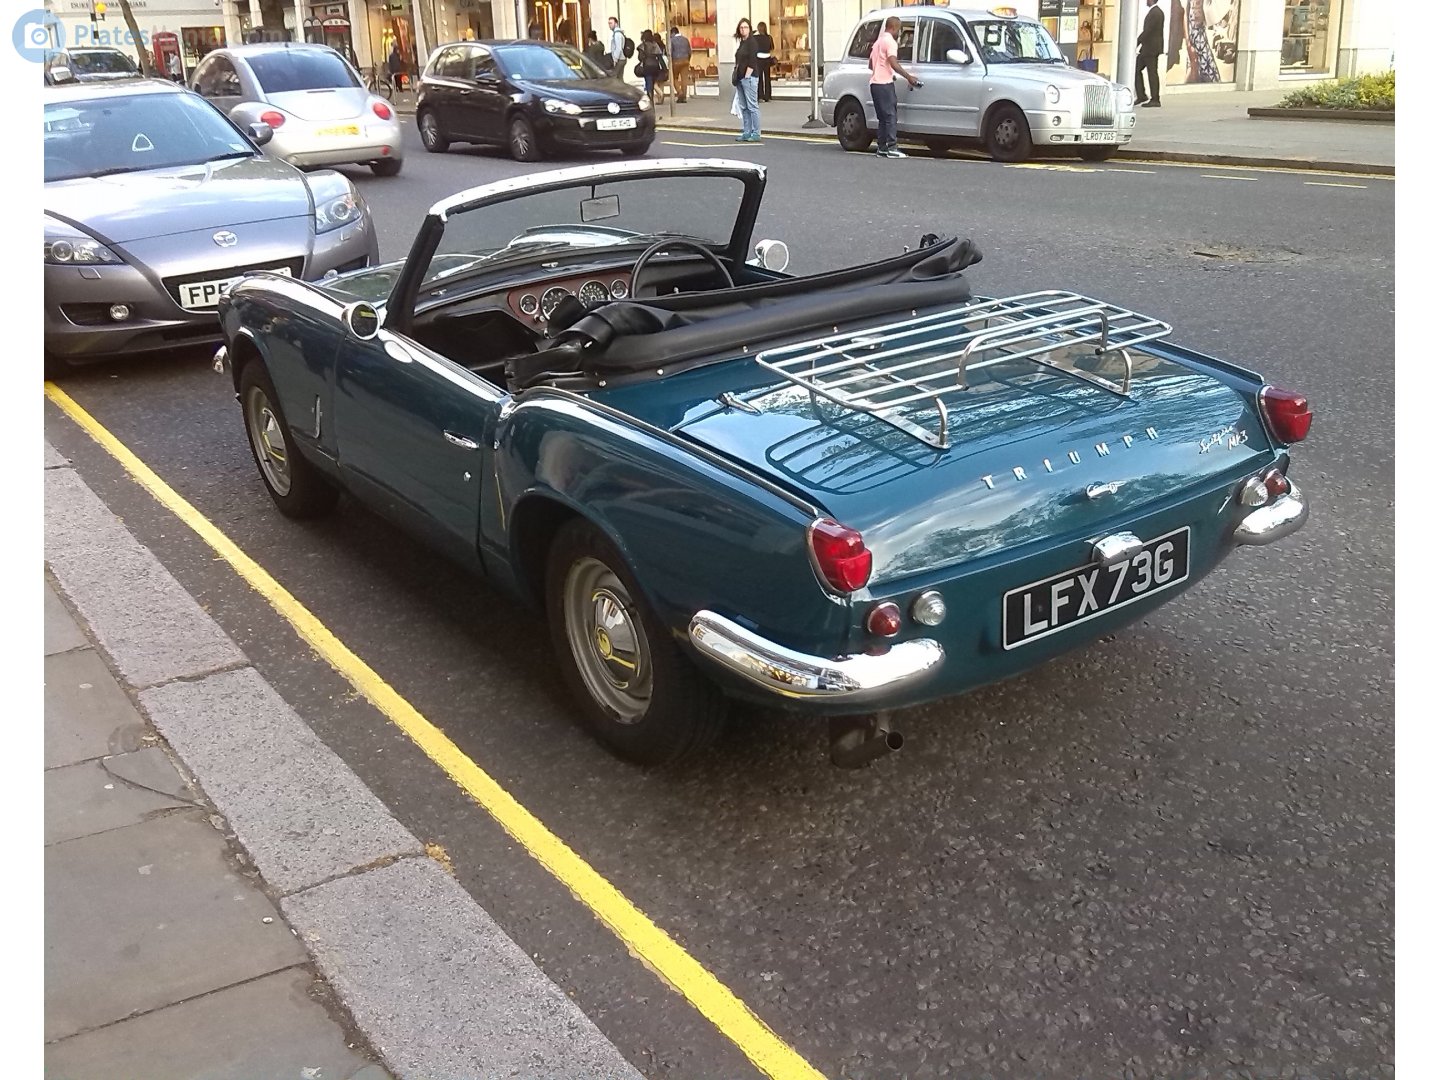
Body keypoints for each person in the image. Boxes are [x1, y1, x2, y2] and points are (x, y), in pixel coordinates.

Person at [868, 15, 917, 158]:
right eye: (899, 30)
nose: (899, 33)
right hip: (884, 85)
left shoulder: (878, 42)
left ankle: (882, 147)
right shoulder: (890, 42)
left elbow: (871, 64)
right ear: (894, 27)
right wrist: (909, 77)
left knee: (883, 118)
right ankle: (892, 147)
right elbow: (893, 62)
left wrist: (887, 72)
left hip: (875, 84)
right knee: (890, 116)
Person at [731, 18, 761, 142]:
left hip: (749, 78)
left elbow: (752, 61)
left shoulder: (752, 42)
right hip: (740, 78)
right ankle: (747, 131)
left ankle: (756, 132)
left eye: (746, 27)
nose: (743, 30)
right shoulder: (742, 43)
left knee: (752, 106)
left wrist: (747, 76)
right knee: (743, 107)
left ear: (750, 29)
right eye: (741, 27)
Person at [1136, 0, 1164, 106]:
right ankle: (1141, 95)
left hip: (1151, 49)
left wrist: (1137, 42)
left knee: (1152, 73)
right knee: (1137, 69)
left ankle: (1155, 99)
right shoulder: (1155, 12)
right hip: (1147, 49)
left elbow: (1148, 31)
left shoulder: (1156, 13)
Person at [637, 29, 663, 98]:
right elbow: (660, 57)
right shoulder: (655, 45)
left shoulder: (642, 45)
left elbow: (640, 57)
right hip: (655, 66)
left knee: (648, 84)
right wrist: (664, 68)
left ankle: (650, 99)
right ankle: (653, 96)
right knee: (653, 83)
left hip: (647, 66)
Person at [752, 21, 774, 102]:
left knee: (760, 78)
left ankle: (760, 96)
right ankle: (768, 96)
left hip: (758, 58)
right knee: (767, 78)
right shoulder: (769, 37)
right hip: (767, 58)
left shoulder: (755, 38)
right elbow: (772, 48)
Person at [668, 26, 691, 102]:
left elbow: (670, 52)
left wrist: (670, 62)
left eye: (671, 34)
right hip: (685, 61)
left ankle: (679, 92)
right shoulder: (685, 40)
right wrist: (688, 59)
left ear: (673, 33)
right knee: (684, 79)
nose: (670, 36)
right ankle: (684, 97)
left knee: (674, 78)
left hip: (676, 61)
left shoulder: (672, 41)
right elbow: (689, 51)